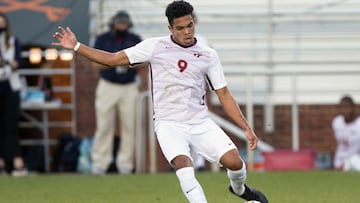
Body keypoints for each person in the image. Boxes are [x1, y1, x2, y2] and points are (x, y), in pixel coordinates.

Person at [52, 1, 269, 202]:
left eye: (190, 25)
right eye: (180, 28)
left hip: (200, 122)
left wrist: (245, 127)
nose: (187, 32)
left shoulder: (208, 55)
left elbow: (224, 94)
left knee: (236, 164)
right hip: (168, 123)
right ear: (170, 28)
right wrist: (77, 46)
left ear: (194, 22)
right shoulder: (154, 47)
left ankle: (239, 190)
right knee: (184, 166)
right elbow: (112, 59)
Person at [90, 11, 145, 175]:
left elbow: (143, 61)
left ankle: (125, 164)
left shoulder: (134, 39)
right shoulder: (103, 39)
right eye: (119, 23)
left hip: (128, 86)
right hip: (108, 85)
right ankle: (100, 162)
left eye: (125, 24)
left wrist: (127, 64)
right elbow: (95, 65)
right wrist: (114, 63)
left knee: (130, 125)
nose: (122, 26)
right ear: (113, 24)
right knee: (104, 125)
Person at [0, 12, 28, 176]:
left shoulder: (12, 41)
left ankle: (17, 160)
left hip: (10, 86)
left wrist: (4, 62)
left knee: (11, 126)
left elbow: (17, 63)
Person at [332, 95, 360, 171]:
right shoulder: (337, 122)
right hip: (340, 160)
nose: (345, 110)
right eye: (342, 108)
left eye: (347, 107)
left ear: (353, 107)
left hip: (356, 159)